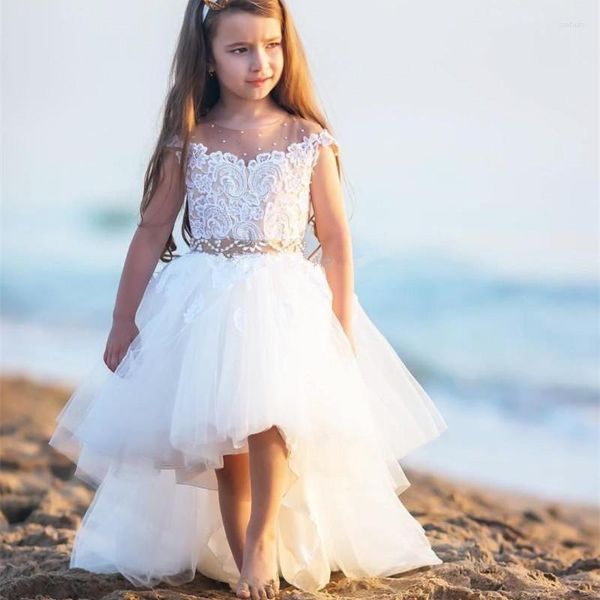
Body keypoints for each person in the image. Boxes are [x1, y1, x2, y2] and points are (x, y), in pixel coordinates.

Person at [48, 1, 448, 598]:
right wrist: (122, 319)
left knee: (271, 420)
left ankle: (262, 540)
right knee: (223, 441)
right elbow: (151, 232)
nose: (260, 61)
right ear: (208, 60)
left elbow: (335, 241)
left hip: (283, 297)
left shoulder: (307, 138)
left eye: (272, 45)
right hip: (202, 301)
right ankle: (245, 555)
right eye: (240, 49)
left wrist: (341, 321)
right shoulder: (190, 140)